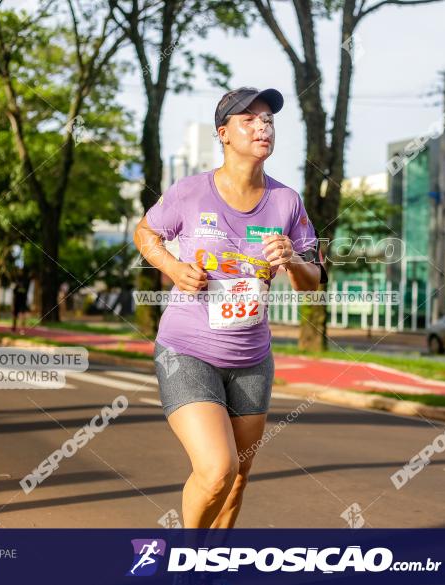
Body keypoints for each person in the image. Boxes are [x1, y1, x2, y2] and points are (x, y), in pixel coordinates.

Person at [134, 87, 327, 529]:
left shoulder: (286, 201)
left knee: (238, 478)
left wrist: (293, 260)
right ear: (223, 133)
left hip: (252, 359)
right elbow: (145, 233)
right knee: (217, 469)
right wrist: (172, 267)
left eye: (269, 121)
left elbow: (312, 283)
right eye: (250, 120)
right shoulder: (189, 192)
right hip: (188, 350)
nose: (263, 127)